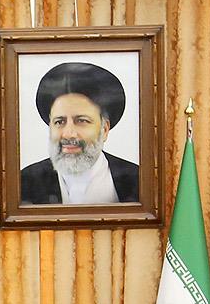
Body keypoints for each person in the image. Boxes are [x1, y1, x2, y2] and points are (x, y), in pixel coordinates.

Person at [19, 61, 141, 205]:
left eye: (81, 121)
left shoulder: (137, 179)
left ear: (104, 129)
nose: (69, 134)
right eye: (59, 122)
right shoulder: (25, 182)